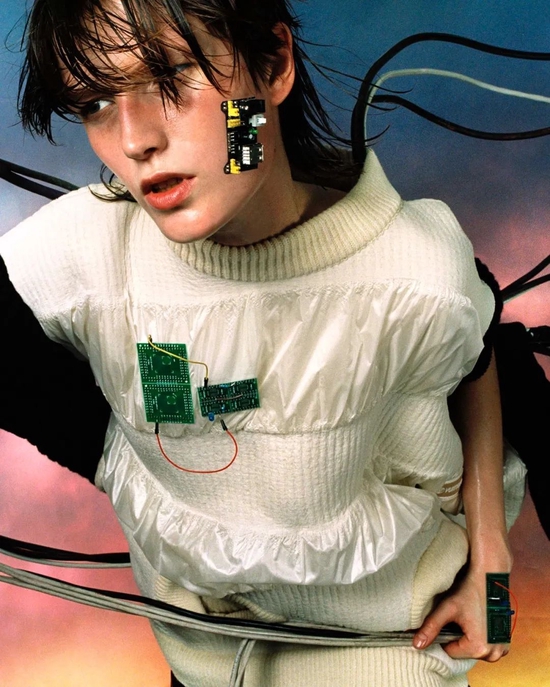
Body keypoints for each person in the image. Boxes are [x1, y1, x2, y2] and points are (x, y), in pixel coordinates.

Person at [0, 1, 513, 685]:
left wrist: (495, 584)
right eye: (95, 102)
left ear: (272, 64)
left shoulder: (412, 270)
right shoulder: (87, 248)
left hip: (387, 646)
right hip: (203, 652)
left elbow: (479, 355)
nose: (136, 140)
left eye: (170, 76)